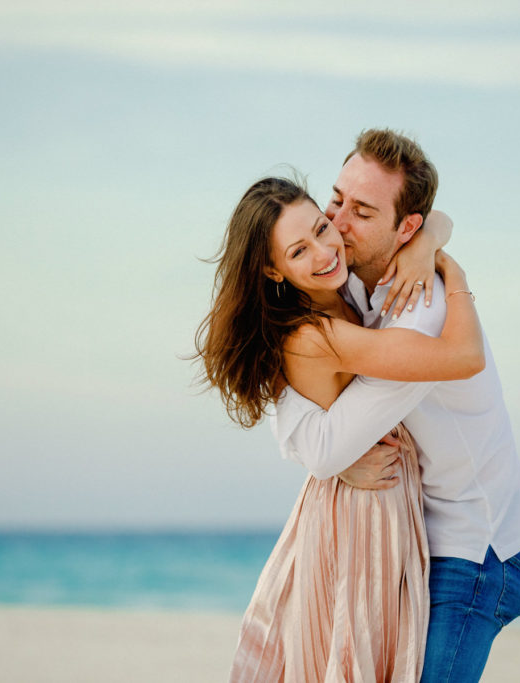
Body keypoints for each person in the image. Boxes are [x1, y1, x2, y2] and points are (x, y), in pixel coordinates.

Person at [194, 173, 486, 681]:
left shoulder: (345, 288)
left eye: (323, 228)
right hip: (358, 515)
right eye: (298, 251)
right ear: (273, 269)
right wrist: (451, 271)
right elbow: (463, 356)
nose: (324, 252)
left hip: (383, 498)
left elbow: (437, 217)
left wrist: (426, 244)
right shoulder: (314, 333)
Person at [270, 129, 520, 683]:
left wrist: (444, 259)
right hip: (414, 541)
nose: (336, 225)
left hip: (473, 553)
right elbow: (295, 417)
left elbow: (323, 445)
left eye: (362, 212)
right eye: (336, 200)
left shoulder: (420, 311)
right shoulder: (355, 288)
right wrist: (434, 236)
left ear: (403, 226)